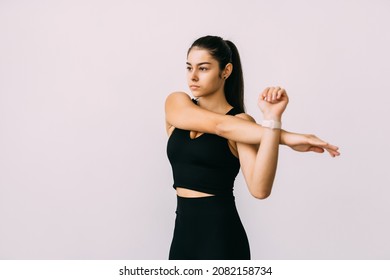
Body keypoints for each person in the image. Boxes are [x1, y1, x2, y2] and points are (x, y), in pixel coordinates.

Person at [165, 35, 340, 260]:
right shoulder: (176, 102)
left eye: (204, 68)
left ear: (226, 71)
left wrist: (272, 119)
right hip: (182, 237)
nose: (193, 76)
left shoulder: (243, 123)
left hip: (221, 238)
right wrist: (286, 138)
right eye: (189, 68)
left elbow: (260, 189)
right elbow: (220, 126)